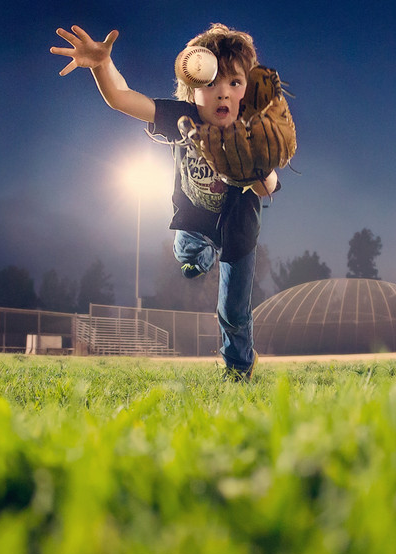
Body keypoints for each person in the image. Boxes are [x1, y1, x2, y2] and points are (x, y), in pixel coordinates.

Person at [50, 24, 279, 381]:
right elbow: (123, 97)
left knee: (233, 311)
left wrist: (258, 167)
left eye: (234, 83)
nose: (223, 94)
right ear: (191, 88)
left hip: (238, 230)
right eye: (211, 83)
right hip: (195, 219)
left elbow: (269, 186)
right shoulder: (181, 117)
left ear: (248, 91)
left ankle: (239, 368)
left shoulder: (251, 130)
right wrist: (101, 66)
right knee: (187, 249)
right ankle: (199, 255)